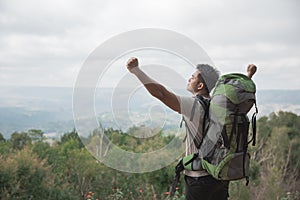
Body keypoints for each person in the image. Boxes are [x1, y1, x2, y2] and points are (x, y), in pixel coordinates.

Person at [126, 57, 257, 200]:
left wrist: (136, 71)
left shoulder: (194, 106)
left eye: (193, 77)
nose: (189, 79)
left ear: (200, 85)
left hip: (199, 179)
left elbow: (161, 93)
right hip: (219, 174)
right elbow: (237, 99)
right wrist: (248, 76)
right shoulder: (220, 106)